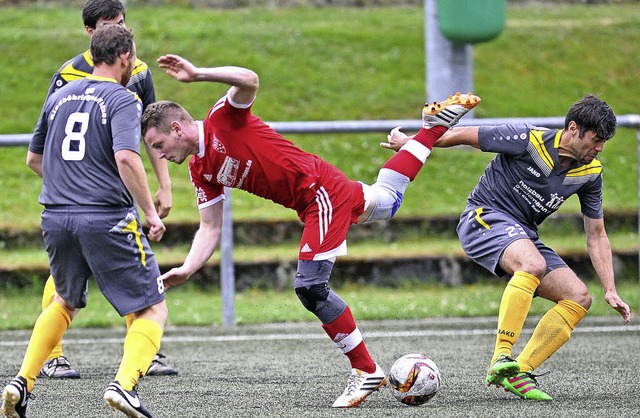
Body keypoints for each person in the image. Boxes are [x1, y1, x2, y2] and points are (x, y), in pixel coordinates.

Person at [140, 53, 480, 408]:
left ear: (177, 129)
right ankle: (431, 128)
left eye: (159, 146)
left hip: (320, 193)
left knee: (310, 286)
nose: (161, 156)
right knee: (387, 199)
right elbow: (210, 226)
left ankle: (366, 370)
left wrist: (198, 74)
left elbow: (249, 79)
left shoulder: (221, 119)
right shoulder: (201, 170)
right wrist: (188, 267)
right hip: (314, 201)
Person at [382, 94, 631, 400]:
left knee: (578, 297)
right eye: (595, 139)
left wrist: (610, 288)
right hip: (482, 218)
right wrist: (411, 144)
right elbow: (461, 135)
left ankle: (519, 371)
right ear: (572, 128)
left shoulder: (590, 173)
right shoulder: (528, 139)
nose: (600, 148)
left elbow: (596, 234)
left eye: (604, 142)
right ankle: (502, 356)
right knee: (533, 264)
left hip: (523, 234)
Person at [2, 25, 166, 418]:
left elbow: (34, 159)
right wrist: (149, 212)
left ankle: (21, 383)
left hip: (56, 216)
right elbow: (127, 158)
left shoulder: (59, 95)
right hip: (105, 216)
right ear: (125, 57)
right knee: (152, 308)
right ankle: (124, 387)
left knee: (64, 300)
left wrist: (69, 187)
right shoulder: (123, 98)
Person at [34, 0, 177, 379]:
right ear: (90, 32)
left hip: (102, 199)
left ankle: (143, 347)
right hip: (88, 199)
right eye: (108, 22)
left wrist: (164, 184)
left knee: (129, 268)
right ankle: (55, 355)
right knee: (70, 278)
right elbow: (45, 147)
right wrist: (73, 184)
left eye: (121, 21)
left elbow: (153, 130)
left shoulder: (140, 72)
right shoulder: (67, 76)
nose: (118, 27)